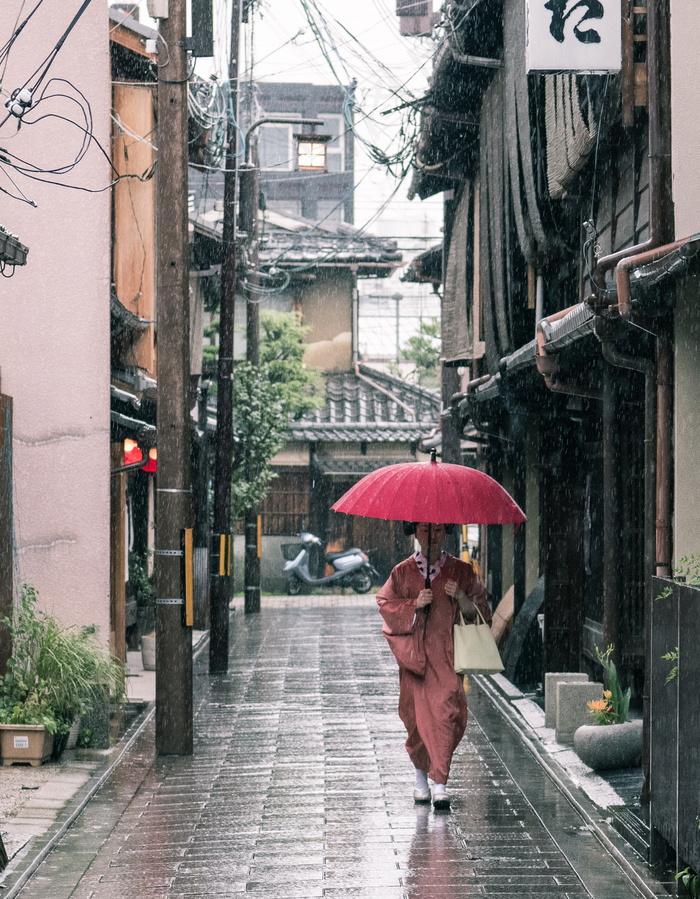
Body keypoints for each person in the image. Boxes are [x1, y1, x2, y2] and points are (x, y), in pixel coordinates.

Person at [376, 521, 491, 810]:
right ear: (415, 532)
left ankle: (440, 782)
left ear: (446, 531)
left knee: (445, 715)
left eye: (438, 530)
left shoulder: (462, 571)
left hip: (447, 657)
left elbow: (481, 612)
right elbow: (385, 604)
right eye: (426, 530)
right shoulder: (402, 572)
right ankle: (421, 780)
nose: (432, 536)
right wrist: (413, 605)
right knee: (415, 720)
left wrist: (462, 598)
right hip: (414, 659)